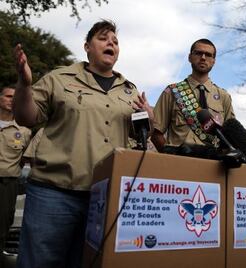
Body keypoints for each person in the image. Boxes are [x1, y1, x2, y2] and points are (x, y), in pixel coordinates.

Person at [13, 20, 152, 267]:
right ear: (87, 46)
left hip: (103, 198)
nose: (111, 43)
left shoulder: (129, 91)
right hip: (54, 192)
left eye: (115, 41)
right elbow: (26, 117)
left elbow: (140, 139)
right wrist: (24, 85)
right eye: (103, 38)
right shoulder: (59, 78)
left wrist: (148, 119)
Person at [151, 38, 234, 151]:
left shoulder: (224, 97)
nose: (203, 57)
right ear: (190, 57)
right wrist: (170, 157)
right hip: (180, 162)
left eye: (208, 55)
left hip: (214, 164)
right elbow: (156, 133)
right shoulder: (172, 92)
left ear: (214, 61)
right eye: (198, 53)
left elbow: (232, 137)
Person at [0, 86, 31, 265]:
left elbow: (24, 160)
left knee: (2, 228)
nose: (12, 99)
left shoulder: (24, 131)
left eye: (15, 97)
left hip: (7, 184)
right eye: (8, 96)